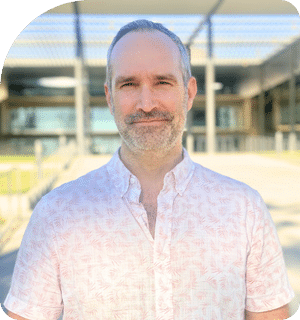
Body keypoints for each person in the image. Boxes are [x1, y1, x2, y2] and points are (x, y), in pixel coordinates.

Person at [4, 19, 294, 320]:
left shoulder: (245, 209)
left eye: (162, 82)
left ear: (189, 92)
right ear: (109, 97)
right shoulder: (56, 214)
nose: (146, 103)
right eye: (128, 84)